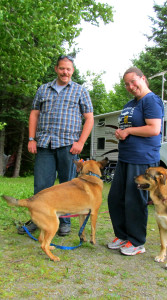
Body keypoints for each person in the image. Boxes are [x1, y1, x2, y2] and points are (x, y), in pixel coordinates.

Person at [18, 55, 94, 236]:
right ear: (56, 69)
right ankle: (38, 218)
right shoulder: (43, 89)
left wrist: (81, 142)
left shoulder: (80, 91)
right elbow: (34, 114)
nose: (65, 72)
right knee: (42, 186)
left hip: (69, 146)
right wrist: (31, 139)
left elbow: (89, 118)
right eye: (62, 68)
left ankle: (65, 221)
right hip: (44, 144)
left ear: (73, 71)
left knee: (68, 187)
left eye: (68, 69)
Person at [107, 67, 164, 255]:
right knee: (116, 198)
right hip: (125, 156)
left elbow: (154, 129)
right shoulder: (131, 103)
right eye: (126, 84)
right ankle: (122, 236)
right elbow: (127, 126)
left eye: (133, 82)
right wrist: (120, 132)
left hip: (142, 158)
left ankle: (137, 241)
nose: (130, 86)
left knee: (134, 200)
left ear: (143, 78)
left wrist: (129, 131)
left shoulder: (151, 100)